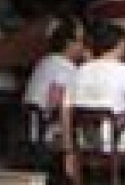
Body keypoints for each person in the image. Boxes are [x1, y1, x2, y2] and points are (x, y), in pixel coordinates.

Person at [64, 21, 125, 157]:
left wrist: (68, 148)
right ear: (120, 44)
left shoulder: (79, 71)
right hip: (117, 142)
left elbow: (67, 106)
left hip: (84, 142)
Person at [23, 16, 86, 146]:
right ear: (69, 43)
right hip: (48, 133)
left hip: (34, 128)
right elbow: (57, 104)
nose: (83, 47)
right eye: (81, 41)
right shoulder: (64, 67)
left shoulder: (46, 61)